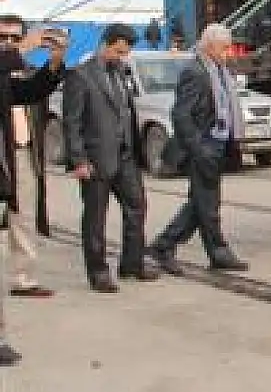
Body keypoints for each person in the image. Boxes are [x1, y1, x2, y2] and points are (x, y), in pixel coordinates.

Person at [63, 24, 161, 291]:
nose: (122, 56)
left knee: (137, 206)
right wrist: (79, 160)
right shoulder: (80, 76)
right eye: (118, 51)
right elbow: (72, 123)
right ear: (105, 44)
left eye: (125, 52)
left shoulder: (120, 73)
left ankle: (132, 263)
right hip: (96, 159)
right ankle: (98, 272)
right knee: (95, 217)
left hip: (125, 156)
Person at [149, 24, 249, 274]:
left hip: (219, 143)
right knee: (206, 203)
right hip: (203, 146)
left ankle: (170, 246)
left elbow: (223, 105)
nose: (228, 52)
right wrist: (198, 147)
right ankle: (199, 249)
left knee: (202, 203)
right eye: (224, 48)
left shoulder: (220, 70)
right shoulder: (194, 71)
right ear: (209, 46)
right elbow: (181, 114)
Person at [0, 16, 67, 366]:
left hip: (14, 162)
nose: (9, 43)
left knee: (22, 222)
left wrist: (54, 63)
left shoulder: (12, 72)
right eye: (3, 37)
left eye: (15, 38)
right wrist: (21, 49)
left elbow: (29, 92)